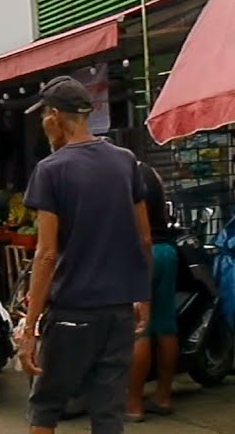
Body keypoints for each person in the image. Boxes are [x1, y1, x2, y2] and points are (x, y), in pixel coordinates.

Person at [18, 76, 153, 434]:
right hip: (118, 311)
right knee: (108, 411)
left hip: (72, 312)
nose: (43, 122)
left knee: (45, 406)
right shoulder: (125, 162)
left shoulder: (50, 170)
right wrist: (143, 296)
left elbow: (46, 255)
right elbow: (144, 239)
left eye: (45, 115)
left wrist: (29, 328)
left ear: (55, 117)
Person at [127, 162, 178, 421]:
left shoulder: (126, 177)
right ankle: (164, 395)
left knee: (140, 329)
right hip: (168, 252)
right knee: (166, 326)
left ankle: (134, 404)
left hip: (144, 255)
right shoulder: (152, 174)